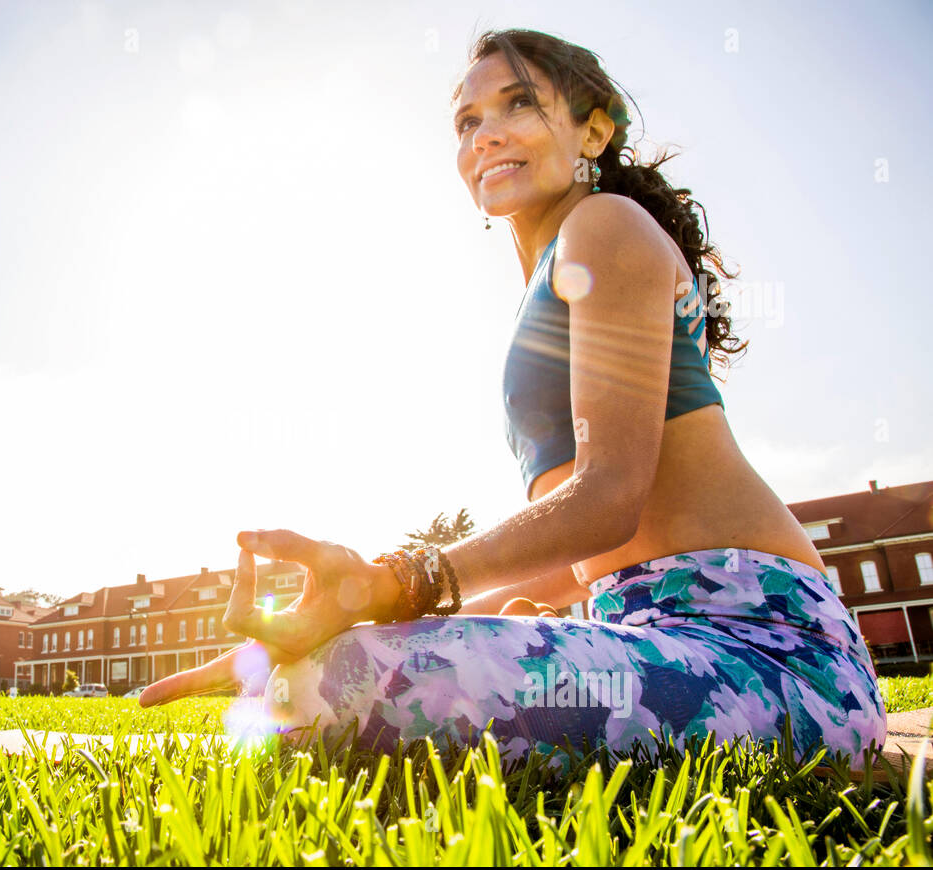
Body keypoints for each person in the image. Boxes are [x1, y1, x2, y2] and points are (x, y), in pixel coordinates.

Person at [139, 29, 886, 771]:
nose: (486, 135)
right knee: (324, 669)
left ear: (592, 129)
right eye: (468, 122)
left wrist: (397, 585)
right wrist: (334, 625)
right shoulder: (553, 277)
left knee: (347, 685)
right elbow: (583, 559)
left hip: (772, 650)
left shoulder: (605, 227)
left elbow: (608, 499)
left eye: (518, 104)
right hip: (654, 629)